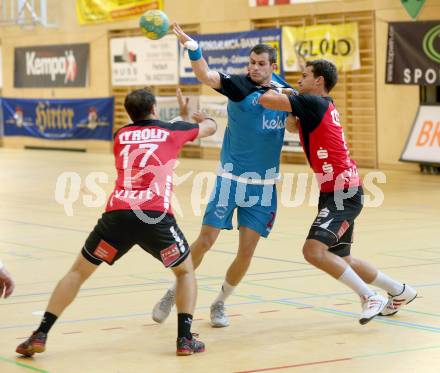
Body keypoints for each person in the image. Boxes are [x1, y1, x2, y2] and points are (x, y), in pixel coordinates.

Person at [16, 88, 217, 357]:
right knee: (185, 272)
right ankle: (184, 339)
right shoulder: (172, 132)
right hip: (154, 215)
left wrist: (178, 120)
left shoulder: (120, 136)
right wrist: (202, 118)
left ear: (130, 112)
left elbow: (154, 135)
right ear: (155, 108)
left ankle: (40, 333)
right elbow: (206, 128)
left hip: (117, 215)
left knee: (77, 272)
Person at [152, 22, 297, 328]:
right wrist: (194, 48)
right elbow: (206, 74)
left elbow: (294, 126)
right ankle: (173, 289)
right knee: (206, 240)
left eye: (261, 64)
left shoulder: (285, 92)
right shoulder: (239, 85)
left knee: (246, 251)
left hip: (264, 187)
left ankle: (219, 303)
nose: (254, 68)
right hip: (230, 180)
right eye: (251, 63)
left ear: (273, 66)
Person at [259, 59, 417, 324]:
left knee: (313, 251)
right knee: (340, 257)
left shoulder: (315, 103)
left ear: (319, 81)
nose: (299, 79)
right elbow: (291, 125)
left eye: (305, 75)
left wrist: (272, 87)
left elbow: (266, 101)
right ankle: (400, 291)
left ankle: (369, 297)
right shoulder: (319, 105)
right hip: (339, 190)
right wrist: (289, 93)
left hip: (342, 192)